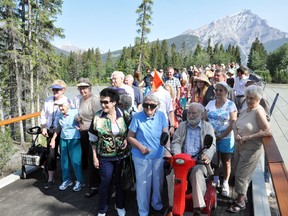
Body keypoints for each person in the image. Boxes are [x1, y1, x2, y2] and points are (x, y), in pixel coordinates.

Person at [228, 85, 272, 213]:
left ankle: (240, 202)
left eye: (251, 98)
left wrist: (248, 137)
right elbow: (236, 123)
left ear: (258, 99)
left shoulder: (258, 111)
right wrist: (236, 133)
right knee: (237, 171)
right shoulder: (246, 108)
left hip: (251, 148)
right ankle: (242, 197)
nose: (248, 100)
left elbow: (268, 131)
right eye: (247, 97)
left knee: (242, 175)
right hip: (239, 145)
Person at [167, 103, 216, 216]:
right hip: (183, 161)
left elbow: (212, 146)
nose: (191, 115)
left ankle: (197, 208)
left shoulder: (208, 127)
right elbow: (176, 142)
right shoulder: (182, 125)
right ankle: (172, 205)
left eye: (194, 113)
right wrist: (178, 155)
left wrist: (207, 155)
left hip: (198, 161)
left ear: (201, 115)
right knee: (172, 175)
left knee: (196, 173)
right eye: (189, 113)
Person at [88, 88, 130, 216]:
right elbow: (93, 139)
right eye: (102, 102)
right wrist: (95, 157)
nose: (103, 105)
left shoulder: (124, 114)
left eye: (106, 102)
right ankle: (102, 209)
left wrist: (127, 141)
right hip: (105, 156)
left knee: (119, 182)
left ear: (114, 102)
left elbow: (130, 131)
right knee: (105, 182)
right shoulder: (97, 117)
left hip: (121, 156)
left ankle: (120, 205)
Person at [127, 94, 169, 216]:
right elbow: (130, 137)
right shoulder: (137, 117)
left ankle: (156, 204)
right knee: (143, 185)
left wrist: (167, 150)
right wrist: (141, 147)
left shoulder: (161, 115)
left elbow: (165, 133)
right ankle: (143, 211)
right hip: (141, 156)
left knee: (158, 183)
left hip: (158, 155)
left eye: (152, 105)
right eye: (146, 105)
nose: (148, 108)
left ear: (157, 106)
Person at [205, 81, 237, 196]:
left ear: (226, 92)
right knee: (214, 160)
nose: (218, 92)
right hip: (212, 137)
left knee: (226, 161)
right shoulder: (210, 103)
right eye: (216, 90)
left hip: (225, 137)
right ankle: (216, 178)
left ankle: (225, 182)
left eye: (221, 90)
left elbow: (233, 123)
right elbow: (204, 118)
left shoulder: (231, 105)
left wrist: (221, 136)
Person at [40, 79, 73, 189]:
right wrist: (43, 127)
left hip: (64, 132)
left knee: (66, 154)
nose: (55, 91)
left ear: (63, 90)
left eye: (57, 90)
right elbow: (43, 115)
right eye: (53, 89)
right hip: (50, 131)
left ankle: (68, 177)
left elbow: (72, 115)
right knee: (51, 154)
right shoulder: (48, 101)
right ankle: (50, 179)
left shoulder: (68, 101)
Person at [50, 97, 85, 192]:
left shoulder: (75, 112)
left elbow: (81, 122)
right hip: (63, 139)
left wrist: (79, 121)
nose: (61, 108)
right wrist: (53, 139)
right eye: (59, 106)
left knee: (75, 161)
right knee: (64, 161)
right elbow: (59, 128)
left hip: (74, 139)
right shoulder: (60, 115)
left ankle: (80, 181)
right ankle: (67, 180)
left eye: (62, 105)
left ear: (68, 104)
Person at [75, 78, 102, 198]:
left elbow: (98, 117)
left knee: (93, 159)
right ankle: (93, 182)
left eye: (84, 88)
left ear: (89, 88)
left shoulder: (95, 100)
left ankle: (95, 186)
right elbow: (82, 115)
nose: (82, 90)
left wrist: (92, 131)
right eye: (80, 88)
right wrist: (80, 122)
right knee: (88, 157)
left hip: (93, 133)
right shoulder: (81, 100)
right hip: (83, 132)